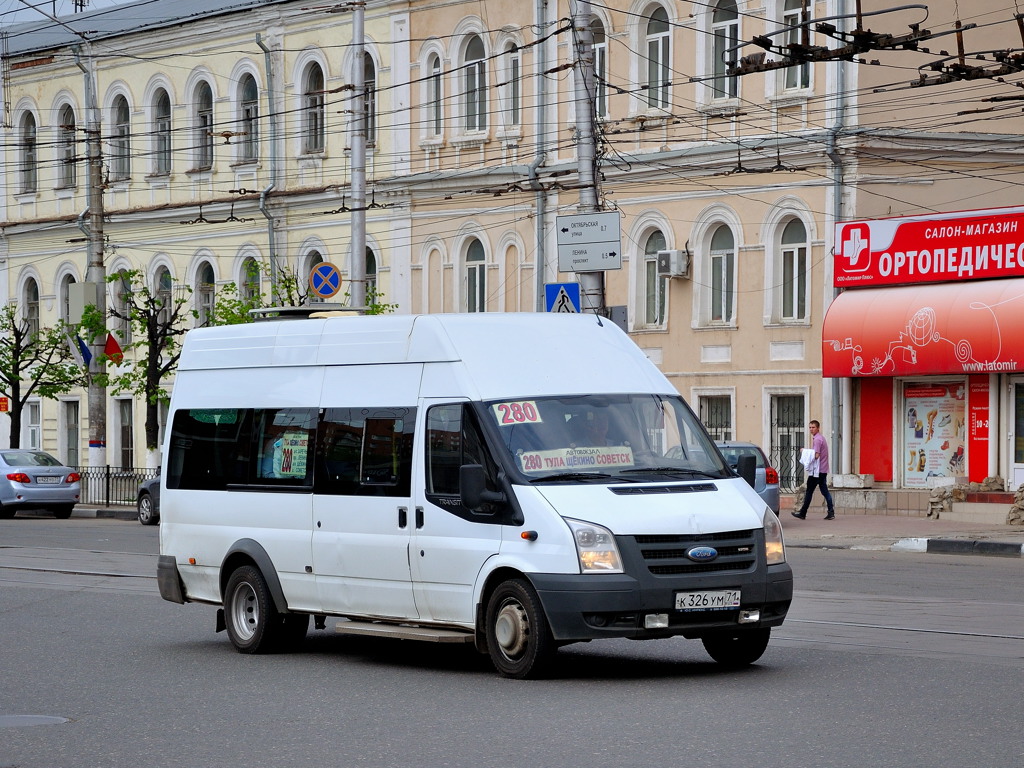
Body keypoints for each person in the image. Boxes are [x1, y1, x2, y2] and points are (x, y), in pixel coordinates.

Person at [792, 419, 835, 520]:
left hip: (817, 471)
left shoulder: (817, 440)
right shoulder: (821, 438)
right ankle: (831, 512)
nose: (811, 429)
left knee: (809, 491)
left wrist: (804, 451)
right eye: (810, 427)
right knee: (824, 491)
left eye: (813, 427)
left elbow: (816, 455)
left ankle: (803, 513)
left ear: (818, 428)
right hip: (823, 470)